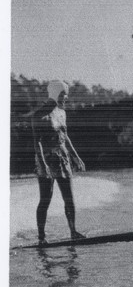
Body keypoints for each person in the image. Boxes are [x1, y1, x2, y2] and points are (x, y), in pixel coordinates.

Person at [32, 80, 86, 245]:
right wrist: (43, 165)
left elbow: (65, 137)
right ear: (54, 94)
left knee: (69, 198)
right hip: (46, 158)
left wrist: (76, 157)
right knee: (45, 199)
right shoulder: (39, 114)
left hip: (62, 158)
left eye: (66, 95)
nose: (65, 98)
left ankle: (73, 231)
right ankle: (42, 238)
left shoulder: (62, 113)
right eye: (62, 94)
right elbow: (37, 143)